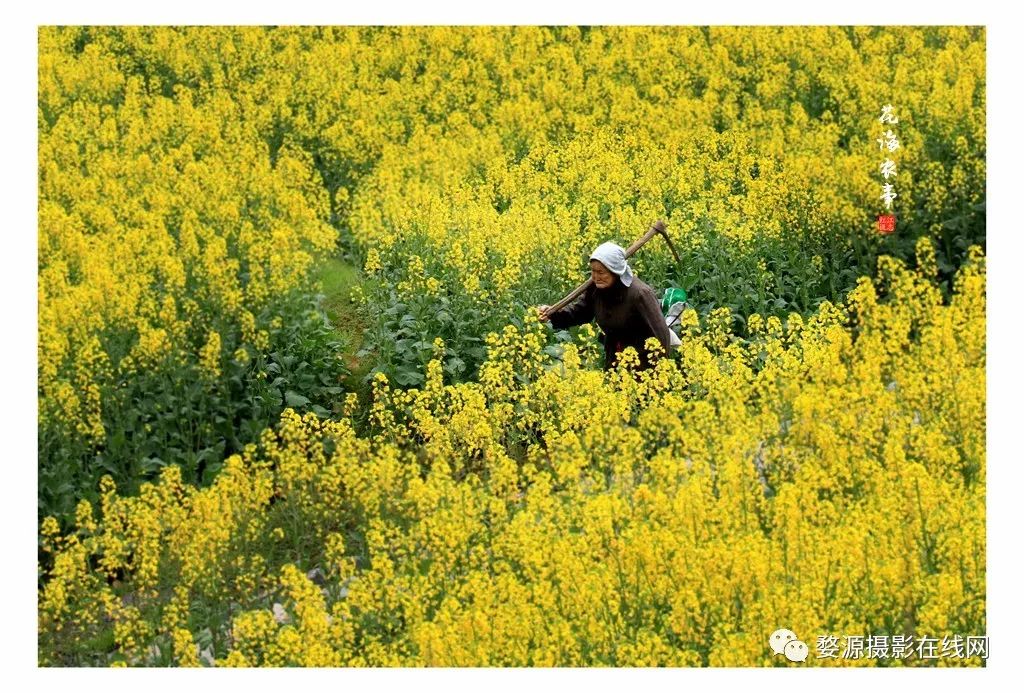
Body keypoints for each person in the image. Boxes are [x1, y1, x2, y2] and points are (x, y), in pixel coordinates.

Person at [538, 241, 672, 372]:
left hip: (642, 366)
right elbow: (580, 313)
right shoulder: (596, 290)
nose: (596, 277)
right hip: (614, 361)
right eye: (593, 271)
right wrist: (553, 314)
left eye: (601, 272)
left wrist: (660, 371)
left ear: (615, 271)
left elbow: (661, 335)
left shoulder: (640, 294)